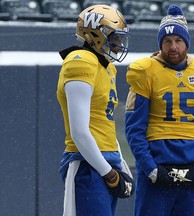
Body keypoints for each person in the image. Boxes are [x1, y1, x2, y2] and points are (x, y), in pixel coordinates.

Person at [125, 4, 194, 216]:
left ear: (186, 43)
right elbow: (134, 130)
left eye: (178, 40)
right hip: (157, 168)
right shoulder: (146, 72)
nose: (173, 46)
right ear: (160, 43)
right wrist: (150, 168)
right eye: (167, 41)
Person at [56, 4, 134, 216]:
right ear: (95, 34)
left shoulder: (107, 66)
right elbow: (79, 131)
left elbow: (104, 122)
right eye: (114, 37)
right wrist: (108, 173)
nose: (118, 44)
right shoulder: (80, 62)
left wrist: (118, 163)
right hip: (87, 162)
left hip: (105, 159)